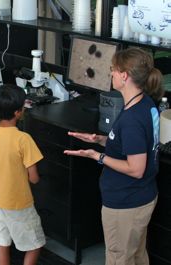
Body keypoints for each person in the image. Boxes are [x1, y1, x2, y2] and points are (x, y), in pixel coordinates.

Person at [64, 47, 163, 265]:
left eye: (113, 70)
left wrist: (96, 156)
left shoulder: (131, 119)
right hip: (142, 197)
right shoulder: (146, 104)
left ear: (124, 75)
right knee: (136, 256)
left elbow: (136, 169)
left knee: (120, 259)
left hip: (126, 203)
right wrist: (100, 140)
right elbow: (136, 144)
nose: (111, 74)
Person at [0, 85, 46, 265]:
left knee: (2, 242)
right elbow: (33, 178)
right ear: (18, 112)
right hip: (18, 203)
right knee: (35, 244)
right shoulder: (23, 139)